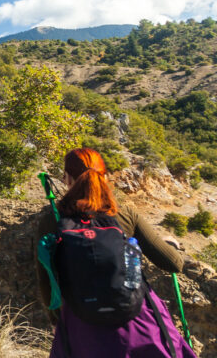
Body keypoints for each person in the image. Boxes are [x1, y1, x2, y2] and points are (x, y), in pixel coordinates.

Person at [36, 148, 196, 358]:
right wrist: (170, 244)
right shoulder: (124, 215)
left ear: (67, 178)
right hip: (138, 323)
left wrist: (58, 320)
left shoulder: (52, 220)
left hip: (81, 327)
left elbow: (45, 280)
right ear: (104, 176)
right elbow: (173, 263)